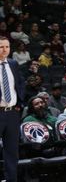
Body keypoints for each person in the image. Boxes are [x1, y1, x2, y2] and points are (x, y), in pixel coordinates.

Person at [0, 35, 24, 182]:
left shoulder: (13, 63)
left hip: (12, 114)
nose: (4, 50)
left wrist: (19, 104)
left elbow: (21, 84)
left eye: (7, 47)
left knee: (12, 152)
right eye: (1, 47)